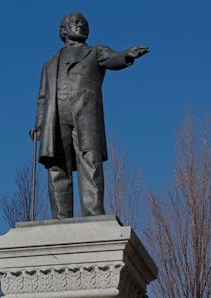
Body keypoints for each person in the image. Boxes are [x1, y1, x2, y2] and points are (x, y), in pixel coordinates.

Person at [30, 12, 149, 219]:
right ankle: (61, 218)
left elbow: (114, 58)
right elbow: (42, 97)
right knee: (57, 167)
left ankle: (93, 215)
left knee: (91, 163)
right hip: (56, 118)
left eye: (84, 23)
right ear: (63, 30)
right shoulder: (49, 64)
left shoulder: (95, 52)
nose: (81, 25)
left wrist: (127, 55)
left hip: (86, 117)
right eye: (76, 22)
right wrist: (39, 125)